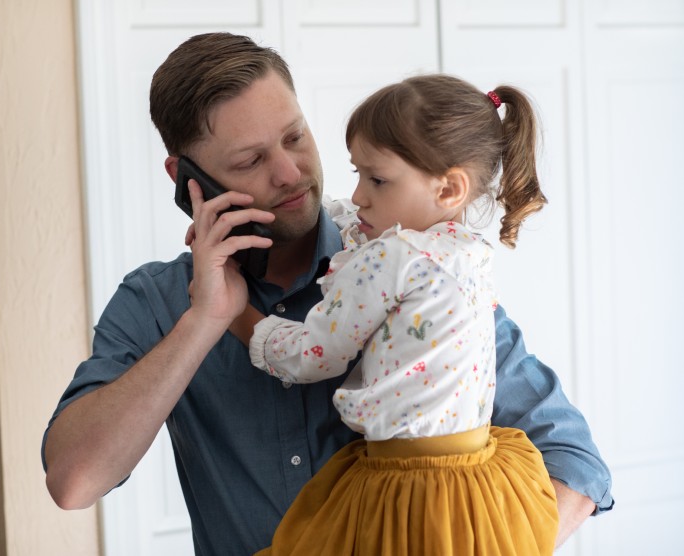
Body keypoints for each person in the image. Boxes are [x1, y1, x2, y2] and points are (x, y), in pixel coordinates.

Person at [42, 32, 613, 556]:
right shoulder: (156, 302)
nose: (290, 173)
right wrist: (206, 319)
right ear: (188, 180)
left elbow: (577, 464)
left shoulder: (420, 273)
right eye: (250, 160)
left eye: (295, 137)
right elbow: (75, 481)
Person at [228, 74, 559, 555]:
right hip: (475, 483)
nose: (359, 195)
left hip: (406, 485)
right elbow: (361, 228)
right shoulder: (467, 253)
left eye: (377, 179)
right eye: (357, 173)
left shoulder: (394, 258)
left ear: (448, 189)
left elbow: (312, 356)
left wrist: (236, 312)